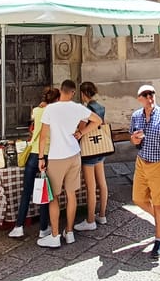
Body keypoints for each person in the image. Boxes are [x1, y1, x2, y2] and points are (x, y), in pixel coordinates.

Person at [36, 80, 102, 249]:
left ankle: (55, 235)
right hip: (74, 154)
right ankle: (70, 232)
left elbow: (43, 136)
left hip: (57, 157)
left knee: (54, 197)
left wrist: (41, 158)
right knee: (71, 194)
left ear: (61, 91)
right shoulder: (78, 108)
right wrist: (81, 133)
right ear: (73, 92)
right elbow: (97, 120)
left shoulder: (50, 109)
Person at [129, 84, 160, 258]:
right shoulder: (136, 116)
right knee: (138, 199)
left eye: (151, 95)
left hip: (159, 164)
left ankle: (159, 239)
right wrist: (134, 139)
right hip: (142, 162)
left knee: (159, 203)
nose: (149, 98)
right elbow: (133, 139)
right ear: (139, 99)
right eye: (145, 95)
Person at [9, 86, 60, 239]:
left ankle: (18, 226)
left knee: (27, 190)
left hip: (34, 153)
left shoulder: (37, 111)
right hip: (49, 154)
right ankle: (43, 228)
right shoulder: (56, 114)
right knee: (45, 191)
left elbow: (35, 127)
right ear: (57, 100)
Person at [74, 81, 109, 231]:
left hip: (89, 150)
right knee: (102, 183)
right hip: (100, 147)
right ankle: (102, 214)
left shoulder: (85, 110)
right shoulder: (100, 107)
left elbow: (81, 129)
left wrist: (79, 131)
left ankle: (90, 220)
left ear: (83, 94)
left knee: (91, 187)